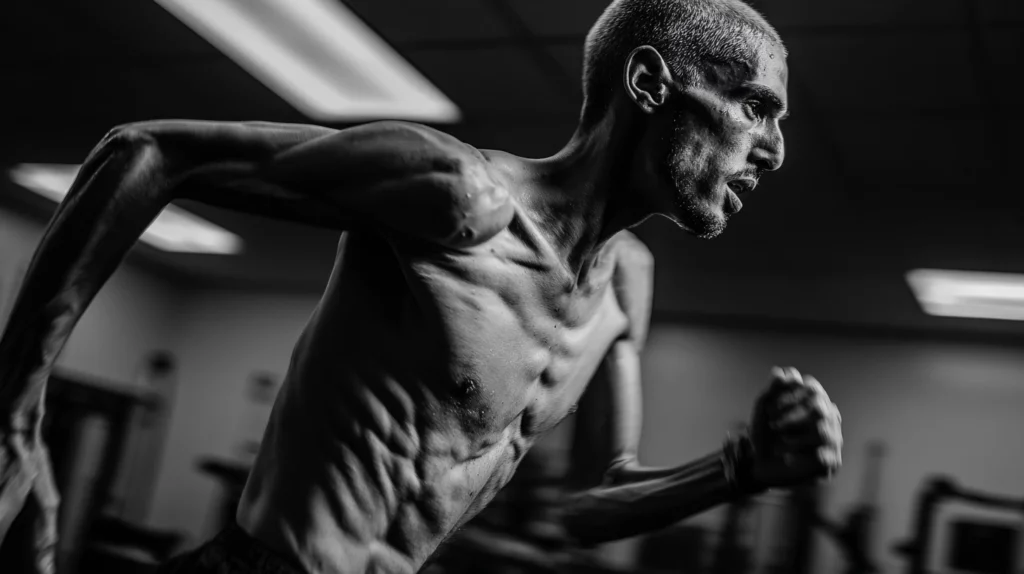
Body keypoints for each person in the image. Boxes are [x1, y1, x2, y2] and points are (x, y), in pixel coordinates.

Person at [0, 0, 844, 572]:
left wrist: (738, 470)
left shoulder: (628, 285)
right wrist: (15, 413)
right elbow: (145, 153)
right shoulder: (463, 198)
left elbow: (585, 505)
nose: (774, 151)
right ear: (650, 84)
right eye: (753, 107)